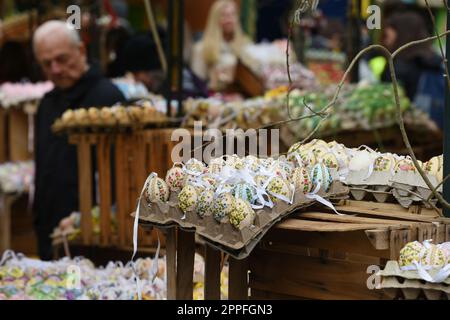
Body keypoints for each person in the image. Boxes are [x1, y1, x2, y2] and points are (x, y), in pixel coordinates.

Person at [33, 21, 124, 260]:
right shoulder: (47, 103)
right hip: (53, 235)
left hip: (95, 238)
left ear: (81, 52)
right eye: (46, 63)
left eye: (61, 59)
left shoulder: (107, 97)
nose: (54, 69)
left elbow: (119, 177)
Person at [380, 12, 444, 128]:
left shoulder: (400, 65)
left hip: (411, 132)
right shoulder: (435, 59)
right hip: (436, 128)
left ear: (402, 34)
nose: (385, 41)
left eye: (388, 35)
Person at [191, 0, 251, 91]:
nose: (229, 19)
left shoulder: (247, 46)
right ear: (215, 19)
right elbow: (197, 86)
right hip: (213, 99)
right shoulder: (201, 48)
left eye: (232, 14)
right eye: (224, 15)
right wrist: (213, 82)